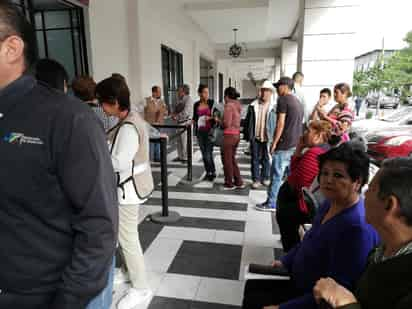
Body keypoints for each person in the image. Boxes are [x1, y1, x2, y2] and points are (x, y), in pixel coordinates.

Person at [0, 2, 118, 308]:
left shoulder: (68, 119)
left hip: (46, 295)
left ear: (11, 48)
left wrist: (67, 301)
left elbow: (99, 226)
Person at [242, 143, 380, 309]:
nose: (328, 180)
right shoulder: (329, 203)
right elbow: (309, 239)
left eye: (338, 175)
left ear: (356, 182)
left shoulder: (357, 229)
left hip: (311, 299)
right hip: (296, 281)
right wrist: (286, 261)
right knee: (251, 289)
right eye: (324, 173)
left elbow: (336, 294)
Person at [314, 158, 412, 309]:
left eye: (370, 190)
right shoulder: (382, 250)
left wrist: (345, 303)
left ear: (389, 204)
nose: (364, 197)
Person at [96, 76, 154, 309]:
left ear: (114, 101)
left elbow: (119, 162)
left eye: (103, 102)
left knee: (128, 239)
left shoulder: (129, 126)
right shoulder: (129, 119)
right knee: (127, 237)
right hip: (130, 188)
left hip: (128, 191)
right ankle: (130, 272)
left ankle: (141, 288)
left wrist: (97, 156)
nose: (101, 107)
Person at [275, 120, 332, 252]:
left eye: (309, 131)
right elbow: (295, 170)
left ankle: (291, 255)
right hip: (306, 200)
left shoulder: (315, 153)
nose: (305, 134)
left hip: (306, 204)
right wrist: (299, 148)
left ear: (318, 135)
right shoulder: (319, 150)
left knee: (286, 217)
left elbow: (297, 180)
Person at [256, 77, 304, 211]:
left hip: (284, 144)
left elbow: (280, 123)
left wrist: (274, 143)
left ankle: (271, 202)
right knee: (289, 176)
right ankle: (286, 201)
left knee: (276, 175)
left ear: (285, 86)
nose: (276, 89)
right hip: (294, 144)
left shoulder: (283, 100)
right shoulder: (297, 102)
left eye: (278, 86)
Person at [244, 80, 277, 189]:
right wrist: (247, 135)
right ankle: (256, 179)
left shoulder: (274, 107)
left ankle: (266, 177)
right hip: (255, 136)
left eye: (267, 91)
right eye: (263, 91)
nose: (264, 94)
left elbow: (277, 123)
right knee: (255, 158)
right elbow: (248, 121)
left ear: (271, 93)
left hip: (268, 137)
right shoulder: (253, 105)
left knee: (266, 158)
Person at [221, 86, 244, 190]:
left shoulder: (229, 106)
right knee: (232, 159)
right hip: (236, 135)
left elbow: (226, 123)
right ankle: (238, 181)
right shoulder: (237, 105)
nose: (224, 99)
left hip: (229, 136)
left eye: (224, 96)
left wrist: (218, 121)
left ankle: (229, 183)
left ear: (226, 96)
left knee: (227, 160)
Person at [193, 84, 216, 181]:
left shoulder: (212, 103)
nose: (206, 94)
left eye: (207, 92)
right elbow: (195, 118)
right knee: (203, 153)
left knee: (208, 153)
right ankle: (208, 172)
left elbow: (217, 117)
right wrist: (191, 122)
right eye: (204, 92)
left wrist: (209, 118)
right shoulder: (196, 104)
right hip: (200, 132)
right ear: (199, 93)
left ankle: (212, 171)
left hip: (210, 131)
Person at [144, 85, 168, 162]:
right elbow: (140, 110)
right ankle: (150, 157)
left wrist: (164, 112)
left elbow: (166, 112)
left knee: (159, 140)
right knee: (151, 141)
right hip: (150, 124)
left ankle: (157, 157)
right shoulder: (146, 100)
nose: (160, 93)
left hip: (159, 124)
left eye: (160, 92)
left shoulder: (162, 101)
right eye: (159, 92)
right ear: (154, 92)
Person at [172, 84, 194, 162]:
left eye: (179, 91)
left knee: (185, 142)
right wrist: (173, 114)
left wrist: (176, 116)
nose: (178, 92)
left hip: (185, 123)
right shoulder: (180, 99)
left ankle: (187, 158)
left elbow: (186, 112)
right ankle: (180, 156)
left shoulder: (189, 99)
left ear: (184, 91)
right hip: (179, 123)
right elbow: (176, 109)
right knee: (179, 141)